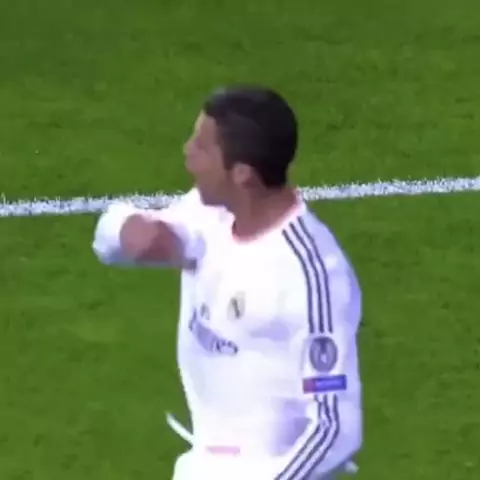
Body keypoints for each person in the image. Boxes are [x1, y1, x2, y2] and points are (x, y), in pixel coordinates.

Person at [92, 85, 363, 479]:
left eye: (202, 147)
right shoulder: (210, 213)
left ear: (242, 174)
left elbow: (335, 429)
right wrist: (126, 230)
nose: (187, 151)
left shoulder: (313, 275)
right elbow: (114, 238)